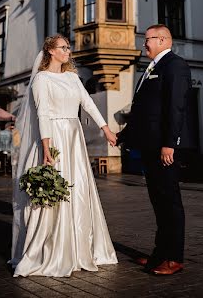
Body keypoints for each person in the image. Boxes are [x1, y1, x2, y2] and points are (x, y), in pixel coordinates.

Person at [10, 34, 118, 277]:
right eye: (63, 47)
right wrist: (46, 147)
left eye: (68, 47)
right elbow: (43, 114)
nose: (68, 51)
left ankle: (80, 246)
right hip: (55, 136)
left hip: (74, 137)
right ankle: (52, 248)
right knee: (56, 190)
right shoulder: (41, 79)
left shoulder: (72, 77)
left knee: (78, 188)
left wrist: (106, 128)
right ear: (50, 51)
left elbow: (88, 103)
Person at [117, 24, 192, 276]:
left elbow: (176, 107)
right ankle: (160, 253)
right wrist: (123, 135)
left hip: (163, 147)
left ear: (162, 39)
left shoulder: (175, 65)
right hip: (149, 147)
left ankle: (174, 258)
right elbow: (142, 110)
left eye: (147, 39)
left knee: (170, 202)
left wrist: (170, 142)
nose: (143, 44)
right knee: (158, 202)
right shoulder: (151, 67)